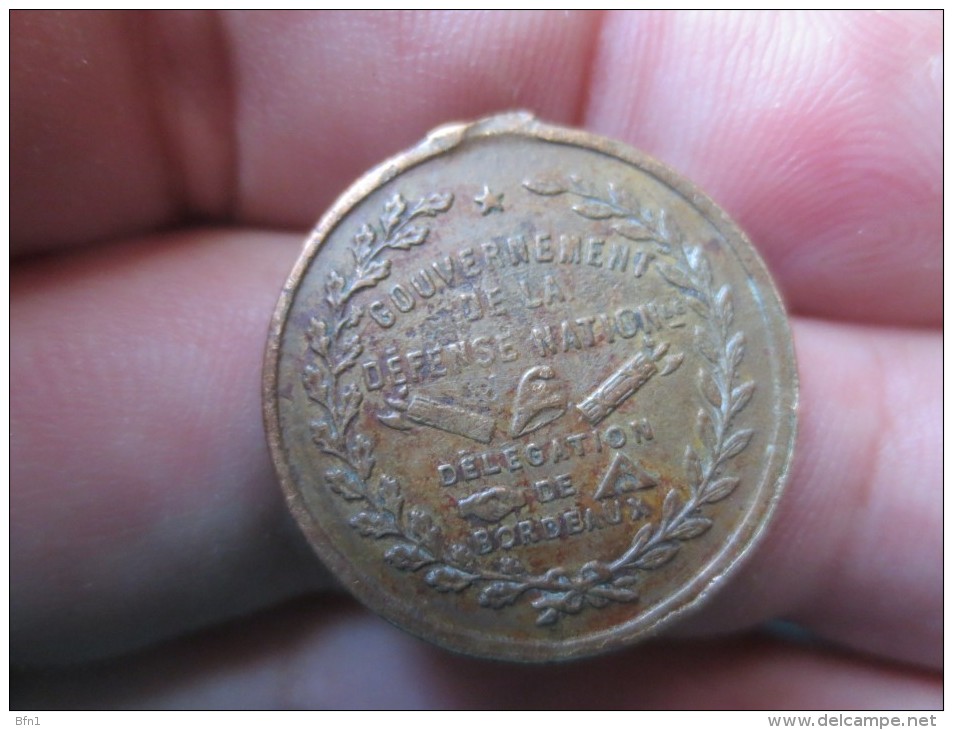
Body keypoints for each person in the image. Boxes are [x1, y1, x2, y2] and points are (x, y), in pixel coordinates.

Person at [10, 11, 940, 709]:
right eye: (536, 385)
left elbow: (607, 386)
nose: (539, 385)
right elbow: (491, 415)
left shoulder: (575, 404)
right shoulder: (515, 416)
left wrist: (641, 370)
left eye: (544, 382)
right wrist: (424, 418)